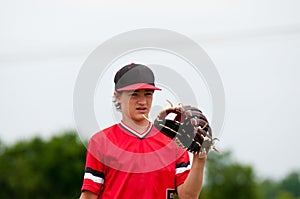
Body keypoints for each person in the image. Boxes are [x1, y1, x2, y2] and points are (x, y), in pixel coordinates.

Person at [79, 63, 207, 199]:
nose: (142, 101)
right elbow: (89, 196)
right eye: (134, 94)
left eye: (148, 94)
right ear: (117, 96)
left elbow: (188, 197)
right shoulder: (101, 142)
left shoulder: (174, 140)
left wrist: (200, 160)